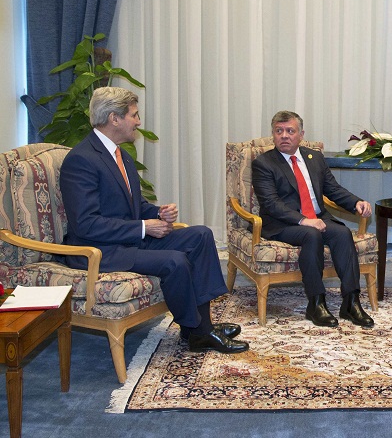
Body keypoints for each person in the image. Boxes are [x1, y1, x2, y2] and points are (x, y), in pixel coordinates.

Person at [60, 87, 248, 354]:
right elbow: (86, 224)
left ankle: (201, 328)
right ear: (114, 118)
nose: (138, 122)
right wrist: (145, 227)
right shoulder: (81, 160)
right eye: (134, 116)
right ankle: (197, 331)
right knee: (174, 260)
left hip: (128, 240)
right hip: (100, 251)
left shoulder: (121, 155)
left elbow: (134, 207)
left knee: (201, 235)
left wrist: (157, 213)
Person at [251, 110, 375, 328]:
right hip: (282, 224)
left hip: (317, 218)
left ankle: (351, 302)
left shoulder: (314, 158)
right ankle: (316, 302)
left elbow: (333, 189)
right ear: (273, 135)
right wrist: (303, 220)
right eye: (279, 131)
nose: (284, 136)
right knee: (312, 235)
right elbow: (271, 204)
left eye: (290, 131)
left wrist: (356, 202)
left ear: (301, 135)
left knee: (342, 233)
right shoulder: (264, 163)